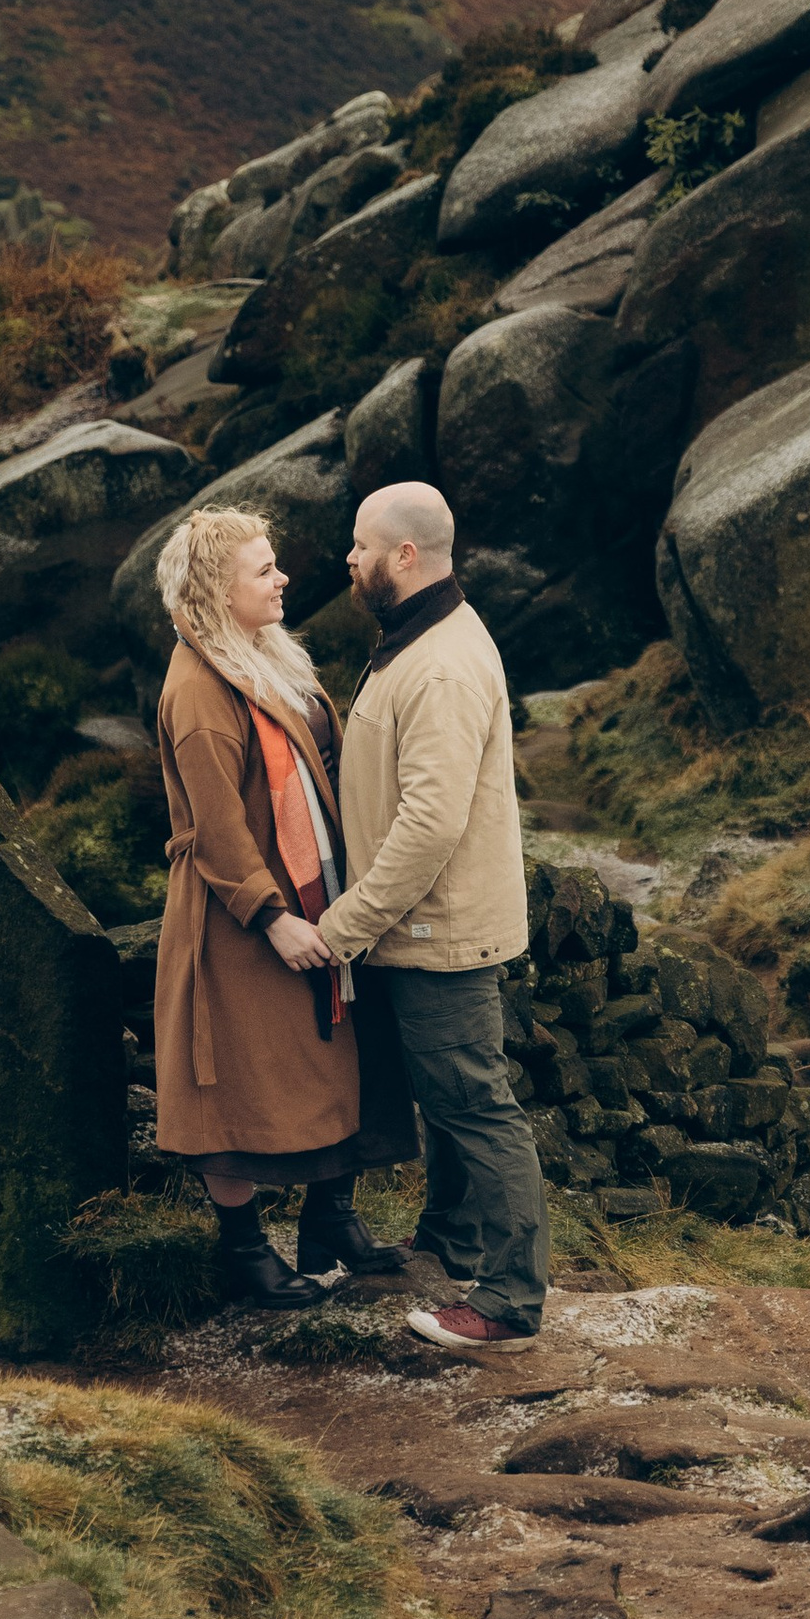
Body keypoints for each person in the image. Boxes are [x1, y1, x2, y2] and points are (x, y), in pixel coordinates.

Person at [304, 481, 549, 1347]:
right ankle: (451, 1242)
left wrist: (343, 927)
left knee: (475, 1105)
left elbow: (431, 822)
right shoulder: (418, 636)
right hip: (421, 926)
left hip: (436, 930)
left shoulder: (439, 663)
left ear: (405, 556)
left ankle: (509, 1300)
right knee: (449, 1105)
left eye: (362, 544)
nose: (349, 557)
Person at [151, 502, 416, 1303]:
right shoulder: (200, 689)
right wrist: (273, 919)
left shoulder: (265, 654)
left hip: (314, 895)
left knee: (337, 1060)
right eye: (263, 570)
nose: (284, 577)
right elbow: (217, 829)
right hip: (240, 923)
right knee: (237, 1085)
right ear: (214, 590)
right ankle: (243, 1253)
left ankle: (330, 1217)